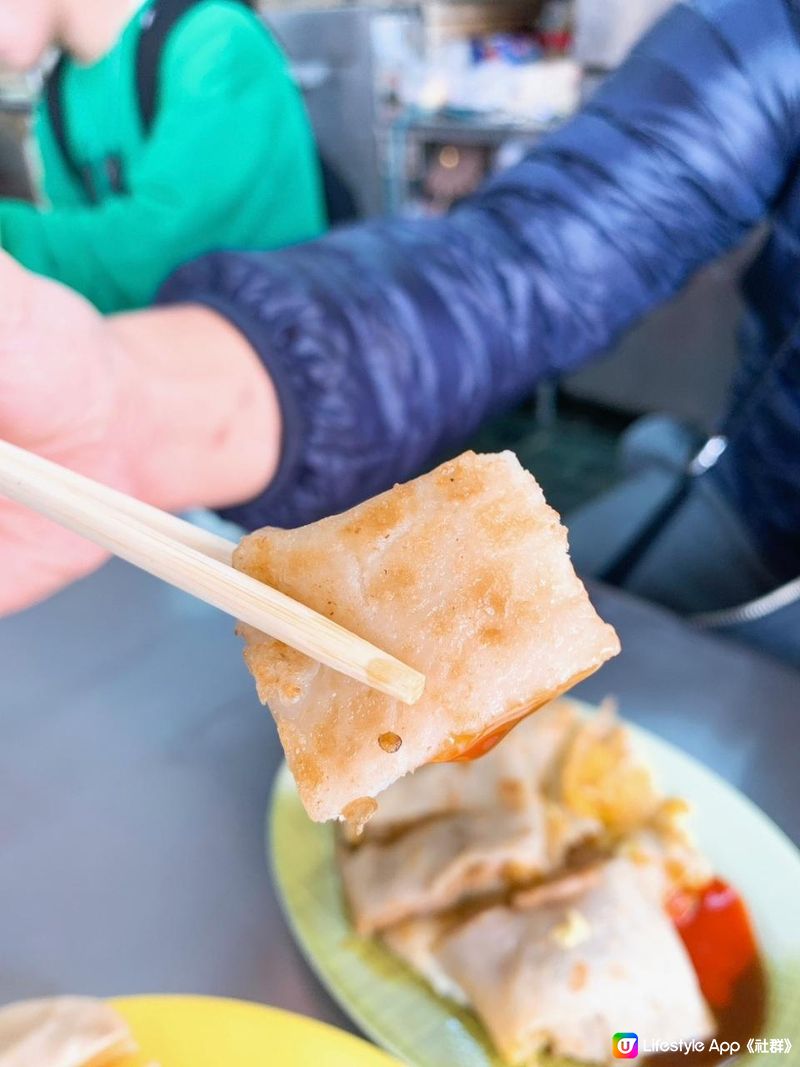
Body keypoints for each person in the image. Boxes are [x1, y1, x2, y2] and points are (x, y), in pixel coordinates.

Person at [1, 0, 798, 660]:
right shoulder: (772, 32)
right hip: (754, 504)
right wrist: (131, 409)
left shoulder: (207, 44)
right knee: (503, 654)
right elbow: (532, 261)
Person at [0, 0, 325, 311]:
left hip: (281, 348)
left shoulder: (214, 40)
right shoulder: (58, 97)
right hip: (155, 349)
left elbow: (164, 254)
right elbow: (80, 281)